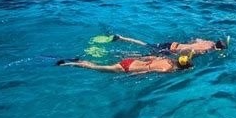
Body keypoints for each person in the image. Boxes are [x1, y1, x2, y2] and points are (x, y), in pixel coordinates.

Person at [56, 52, 194, 74]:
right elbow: (147, 71)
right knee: (96, 68)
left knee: (98, 65)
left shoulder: (165, 59)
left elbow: (148, 58)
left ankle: (78, 60)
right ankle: (67, 64)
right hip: (127, 68)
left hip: (131, 61)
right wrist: (132, 76)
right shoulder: (167, 70)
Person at [113, 35, 228, 55]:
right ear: (218, 48)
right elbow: (190, 53)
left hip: (173, 43)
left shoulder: (208, 41)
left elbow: (195, 40)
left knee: (146, 45)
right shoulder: (206, 50)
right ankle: (118, 54)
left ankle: (122, 38)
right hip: (171, 51)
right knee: (143, 54)